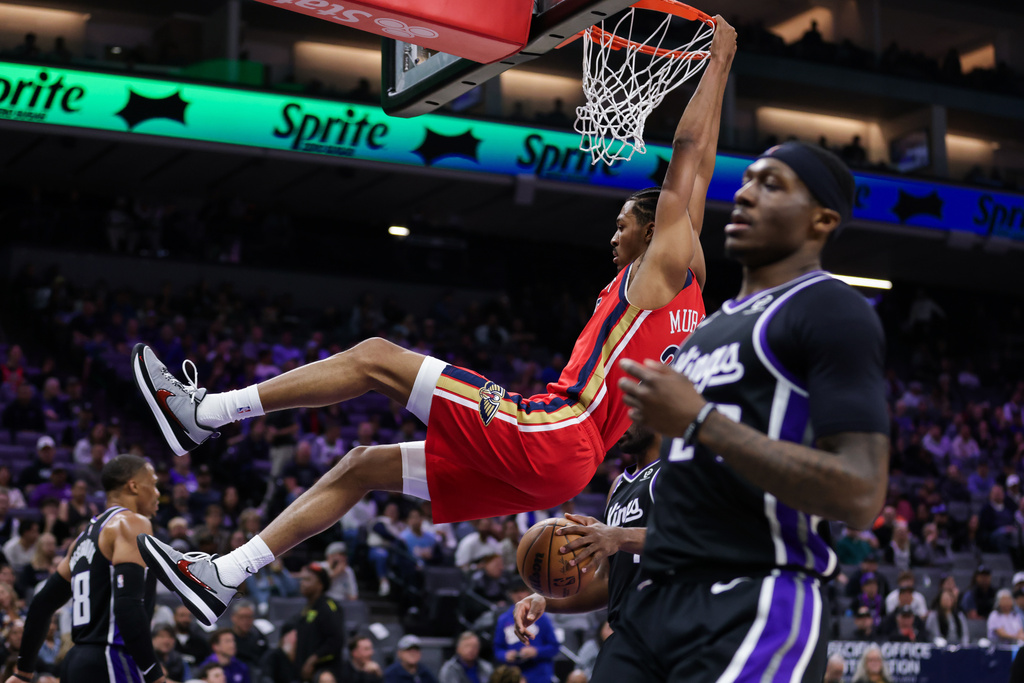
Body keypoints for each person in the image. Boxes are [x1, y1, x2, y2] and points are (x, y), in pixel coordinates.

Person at [134, 8, 726, 630]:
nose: (614, 236)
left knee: (374, 357)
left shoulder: (656, 274)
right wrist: (722, 67)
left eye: (623, 224)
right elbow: (705, 164)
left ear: (656, 231)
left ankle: (203, 414)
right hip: (563, 470)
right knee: (363, 465)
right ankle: (224, 575)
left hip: (556, 430)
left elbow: (690, 153)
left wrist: (717, 60)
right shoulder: (692, 296)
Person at [599, 119, 889, 682]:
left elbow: (860, 492)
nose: (747, 192)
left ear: (822, 220)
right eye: (748, 179)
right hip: (653, 605)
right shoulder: (707, 329)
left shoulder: (829, 307)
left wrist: (699, 419)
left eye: (773, 184)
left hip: (755, 595)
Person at [3, 454, 165, 683]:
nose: (158, 493)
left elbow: (41, 604)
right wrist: (153, 673)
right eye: (154, 484)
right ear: (134, 486)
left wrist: (22, 672)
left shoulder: (83, 539)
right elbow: (128, 605)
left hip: (76, 662)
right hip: (111, 658)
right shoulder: (132, 523)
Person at [513, 423, 661, 658]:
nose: (618, 422)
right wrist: (546, 599)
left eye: (630, 413)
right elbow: (606, 582)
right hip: (625, 633)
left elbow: (693, 538)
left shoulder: (676, 473)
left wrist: (619, 536)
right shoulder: (619, 486)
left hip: (667, 628)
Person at [494, 582, 558, 683]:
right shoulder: (503, 620)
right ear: (510, 594)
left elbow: (554, 647)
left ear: (528, 592)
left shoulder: (541, 617)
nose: (519, 595)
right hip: (514, 675)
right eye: (515, 591)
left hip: (540, 674)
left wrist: (536, 651)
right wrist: (505, 655)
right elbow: (497, 649)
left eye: (522, 590)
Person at [293, 563, 344, 682]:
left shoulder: (328, 607)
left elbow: (335, 640)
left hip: (324, 672)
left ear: (320, 585)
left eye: (307, 580)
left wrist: (312, 660)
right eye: (302, 579)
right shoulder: (307, 608)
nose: (302, 583)